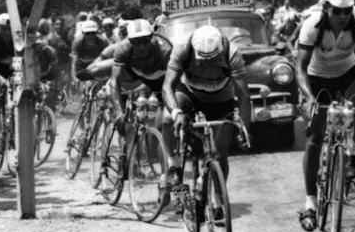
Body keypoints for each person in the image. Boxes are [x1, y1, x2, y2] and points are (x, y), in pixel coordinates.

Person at [294, 0, 355, 232]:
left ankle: (351, 153)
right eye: (337, 12)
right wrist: (309, 97)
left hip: (348, 72)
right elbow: (299, 67)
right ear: (327, 8)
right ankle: (310, 202)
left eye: (347, 11)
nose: (342, 17)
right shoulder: (312, 25)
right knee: (314, 138)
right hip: (317, 76)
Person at [164, 24, 250, 183]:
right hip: (189, 92)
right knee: (167, 119)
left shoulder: (232, 53)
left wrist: (244, 129)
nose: (208, 64)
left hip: (221, 97)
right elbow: (167, 86)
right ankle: (173, 161)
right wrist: (177, 113)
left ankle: (218, 198)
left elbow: (244, 96)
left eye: (213, 59)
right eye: (203, 60)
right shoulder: (182, 48)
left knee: (220, 153)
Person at [105, 18, 175, 156]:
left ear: (151, 37)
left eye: (145, 41)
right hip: (126, 83)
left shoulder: (164, 49)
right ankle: (124, 156)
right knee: (123, 123)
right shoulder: (123, 48)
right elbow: (115, 81)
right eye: (136, 43)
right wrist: (119, 111)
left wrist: (156, 94)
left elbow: (170, 82)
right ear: (129, 41)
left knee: (162, 120)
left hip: (155, 83)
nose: (141, 47)